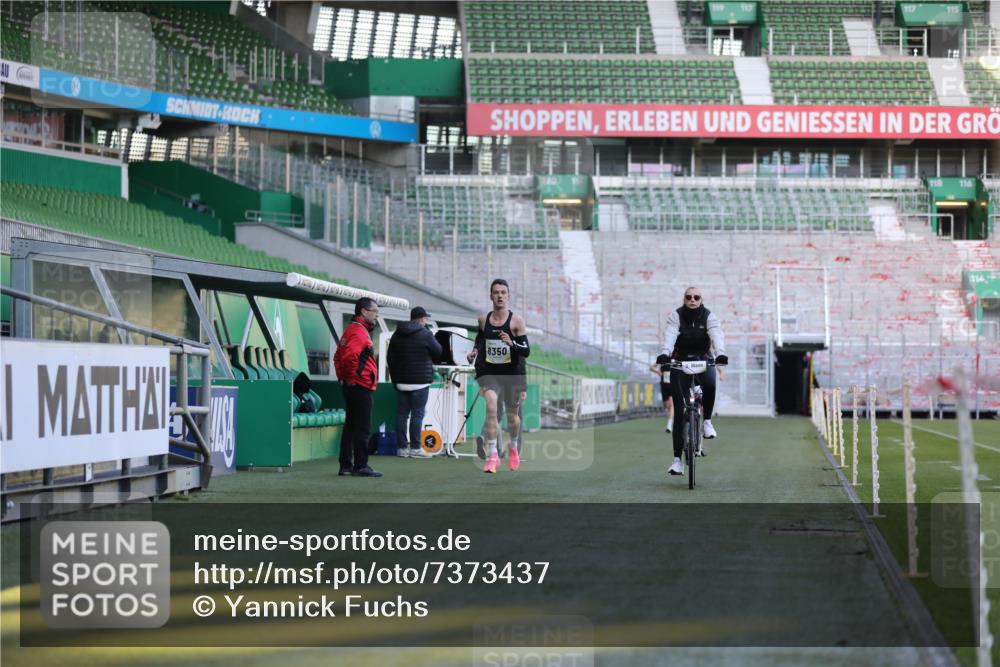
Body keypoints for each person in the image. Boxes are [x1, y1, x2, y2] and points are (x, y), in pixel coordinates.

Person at [657, 286, 728, 477]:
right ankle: (677, 461)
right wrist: (665, 353)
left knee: (711, 384)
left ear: (701, 299)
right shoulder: (676, 316)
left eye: (696, 297)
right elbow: (670, 335)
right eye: (689, 297)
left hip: (703, 359)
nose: (692, 300)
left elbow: (716, 335)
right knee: (680, 412)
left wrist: (720, 353)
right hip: (680, 362)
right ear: (684, 299)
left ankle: (706, 421)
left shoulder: (709, 316)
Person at [466, 279, 530, 474]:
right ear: (491, 296)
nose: (500, 295)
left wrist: (512, 343)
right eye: (496, 292)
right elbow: (480, 338)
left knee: (512, 418)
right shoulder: (483, 319)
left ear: (508, 296)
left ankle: (513, 448)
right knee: (491, 407)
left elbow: (526, 351)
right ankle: (493, 455)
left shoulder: (517, 321)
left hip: (512, 373)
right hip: (490, 372)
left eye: (503, 292)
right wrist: (475, 351)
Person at [333, 297, 383, 478]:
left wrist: (343, 378)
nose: (377, 315)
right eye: (375, 311)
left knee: (351, 427)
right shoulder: (359, 332)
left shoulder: (351, 330)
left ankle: (346, 466)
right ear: (363, 311)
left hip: (353, 385)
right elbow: (347, 357)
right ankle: (360, 465)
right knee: (362, 427)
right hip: (360, 386)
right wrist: (351, 379)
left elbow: (338, 356)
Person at [386, 306, 443, 458]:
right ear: (421, 319)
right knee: (417, 415)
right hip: (420, 382)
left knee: (402, 414)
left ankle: (401, 449)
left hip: (401, 381)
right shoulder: (426, 334)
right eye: (425, 319)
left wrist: (395, 378)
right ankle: (416, 448)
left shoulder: (397, 334)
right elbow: (438, 351)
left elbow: (389, 358)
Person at [649, 360, 675, 433]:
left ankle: (669, 425)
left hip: (673, 383)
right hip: (664, 384)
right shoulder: (662, 358)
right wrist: (658, 372)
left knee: (672, 403)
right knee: (667, 405)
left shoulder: (676, 357)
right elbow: (651, 367)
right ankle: (671, 414)